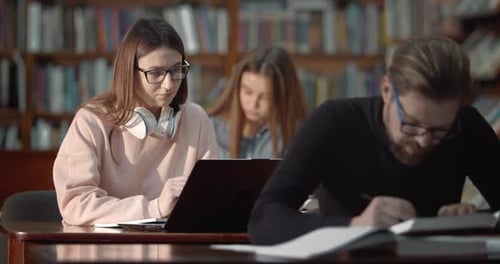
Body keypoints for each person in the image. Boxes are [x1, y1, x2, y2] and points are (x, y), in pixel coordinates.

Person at [248, 36, 500, 245]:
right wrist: (355, 225)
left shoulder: (465, 125)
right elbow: (265, 219)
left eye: (440, 130)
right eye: (411, 124)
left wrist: (471, 222)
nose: (424, 141)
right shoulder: (335, 123)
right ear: (387, 91)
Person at [52, 18, 219, 226]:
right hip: (105, 250)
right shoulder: (91, 122)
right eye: (156, 73)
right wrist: (153, 208)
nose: (169, 85)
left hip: (175, 249)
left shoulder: (196, 119)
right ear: (130, 72)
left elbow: (215, 200)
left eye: (177, 70)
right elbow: (76, 205)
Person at [206, 46, 308, 158]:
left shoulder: (295, 134)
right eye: (248, 92)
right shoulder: (212, 128)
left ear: (283, 97)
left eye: (265, 97)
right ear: (236, 88)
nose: (254, 104)